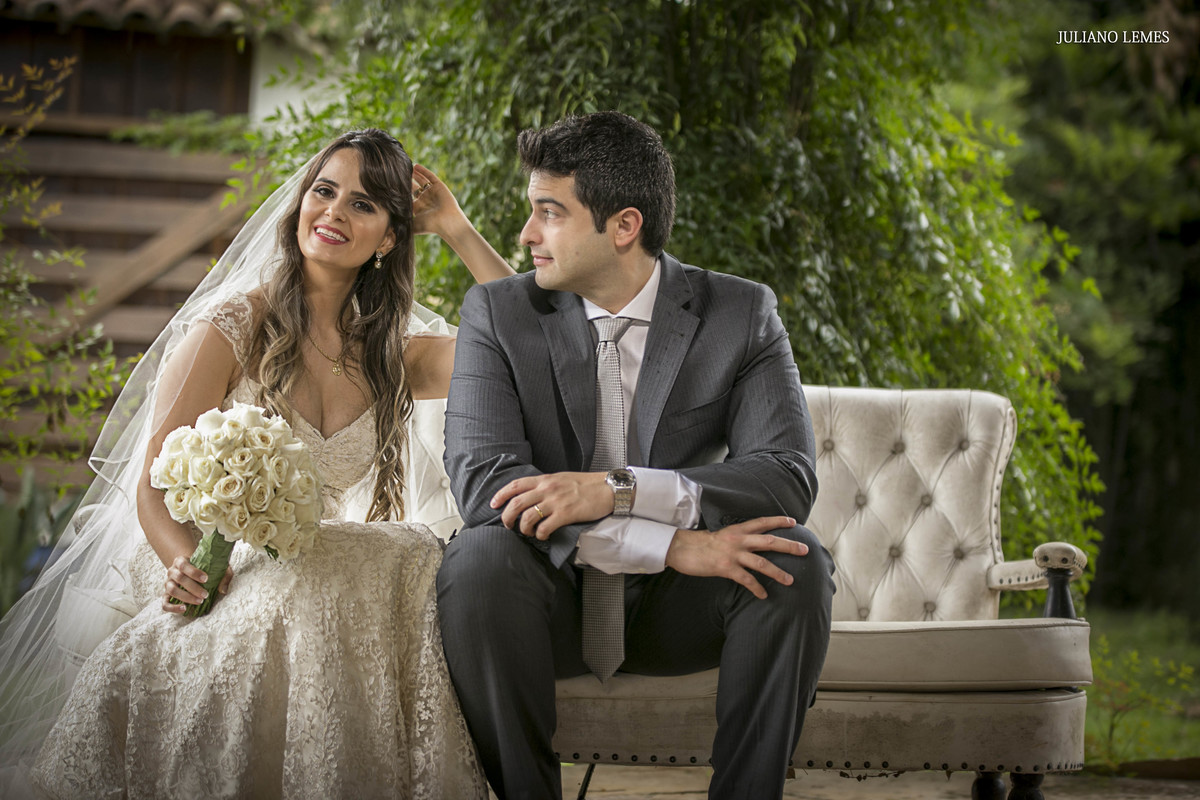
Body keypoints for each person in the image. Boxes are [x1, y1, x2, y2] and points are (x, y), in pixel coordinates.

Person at [0, 129, 512, 798]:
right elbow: (155, 486)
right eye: (323, 192)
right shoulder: (233, 326)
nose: (332, 213)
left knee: (403, 554)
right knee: (352, 571)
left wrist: (456, 228)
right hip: (224, 567)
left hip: (318, 578)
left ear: (389, 237)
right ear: (300, 203)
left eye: (362, 205)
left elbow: (524, 344)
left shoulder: (394, 353)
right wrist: (185, 564)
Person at [438, 111, 836, 799]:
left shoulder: (739, 314)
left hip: (677, 612)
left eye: (549, 213)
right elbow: (485, 482)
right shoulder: (497, 314)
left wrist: (618, 489)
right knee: (479, 557)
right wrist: (670, 545)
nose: (527, 235)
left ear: (623, 226)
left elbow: (785, 475)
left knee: (793, 559)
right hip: (545, 603)